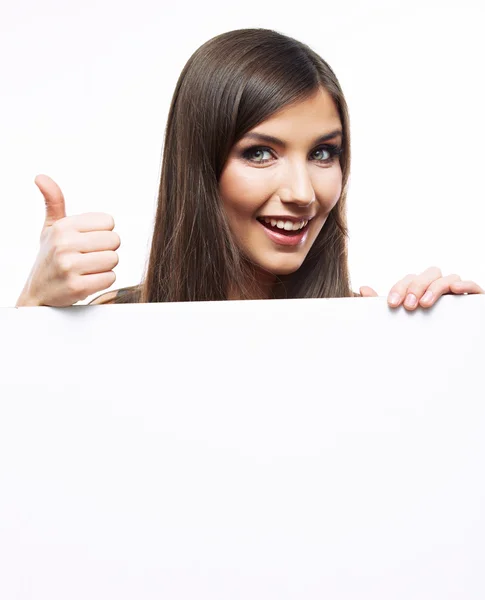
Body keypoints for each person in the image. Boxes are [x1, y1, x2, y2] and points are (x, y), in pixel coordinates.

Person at [16, 28, 483, 310]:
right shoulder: (118, 324)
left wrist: (453, 343)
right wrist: (33, 311)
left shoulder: (364, 327)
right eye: (261, 153)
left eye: (323, 153)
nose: (303, 192)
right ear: (201, 165)